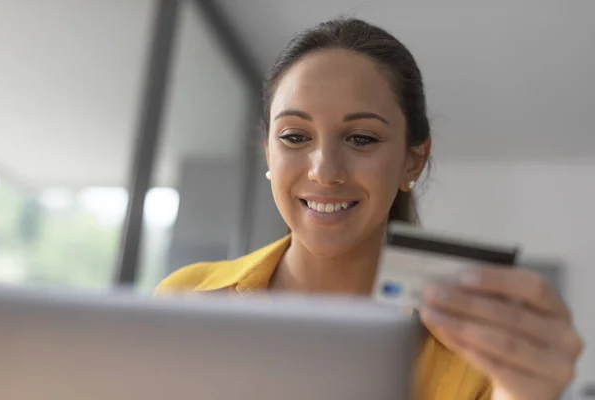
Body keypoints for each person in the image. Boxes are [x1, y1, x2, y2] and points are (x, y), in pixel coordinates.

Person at [156, 18, 583, 400]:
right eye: (294, 137)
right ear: (268, 153)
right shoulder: (185, 299)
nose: (325, 172)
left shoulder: (478, 352)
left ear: (411, 160)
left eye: (361, 138)